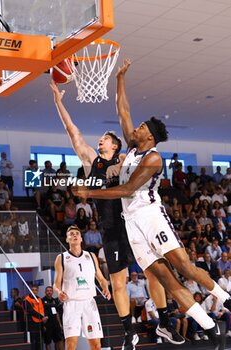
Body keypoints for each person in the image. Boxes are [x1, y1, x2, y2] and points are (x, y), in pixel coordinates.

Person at [73, 59, 231, 350]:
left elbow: (129, 189)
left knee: (184, 267)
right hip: (132, 224)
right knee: (166, 279)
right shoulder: (133, 147)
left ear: (151, 136)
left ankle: (225, 298)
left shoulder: (153, 158)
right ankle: (210, 328)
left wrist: (89, 193)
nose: (137, 127)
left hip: (150, 215)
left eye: (143, 126)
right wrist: (119, 79)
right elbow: (123, 110)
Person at [50, 80, 140, 350]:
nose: (100, 139)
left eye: (105, 138)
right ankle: (129, 333)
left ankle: (167, 316)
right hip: (111, 228)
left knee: (157, 269)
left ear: (115, 146)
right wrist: (58, 102)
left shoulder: (125, 161)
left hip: (134, 223)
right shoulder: (92, 162)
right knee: (117, 283)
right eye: (101, 138)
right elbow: (72, 131)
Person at [53, 225, 111, 350]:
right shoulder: (61, 258)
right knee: (71, 344)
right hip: (71, 303)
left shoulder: (91, 256)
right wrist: (58, 292)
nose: (74, 235)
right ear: (67, 239)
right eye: (71, 234)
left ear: (81, 239)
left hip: (89, 302)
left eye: (77, 233)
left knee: (96, 344)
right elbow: (56, 283)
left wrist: (105, 287)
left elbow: (101, 279)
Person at [24, 285, 48, 350]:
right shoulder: (26, 300)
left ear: (38, 291)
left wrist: (44, 323)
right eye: (32, 290)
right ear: (30, 290)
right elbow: (31, 311)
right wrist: (41, 317)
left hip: (40, 323)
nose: (34, 291)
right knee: (33, 342)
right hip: (31, 323)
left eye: (36, 290)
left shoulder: (39, 299)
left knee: (40, 342)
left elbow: (42, 310)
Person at [42, 286, 64, 350]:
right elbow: (41, 313)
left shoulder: (55, 300)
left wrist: (59, 324)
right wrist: (43, 325)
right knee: (48, 342)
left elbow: (57, 313)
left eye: (50, 291)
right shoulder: (42, 301)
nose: (49, 292)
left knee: (58, 340)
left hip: (56, 324)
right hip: (47, 324)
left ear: (52, 292)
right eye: (47, 291)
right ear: (45, 292)